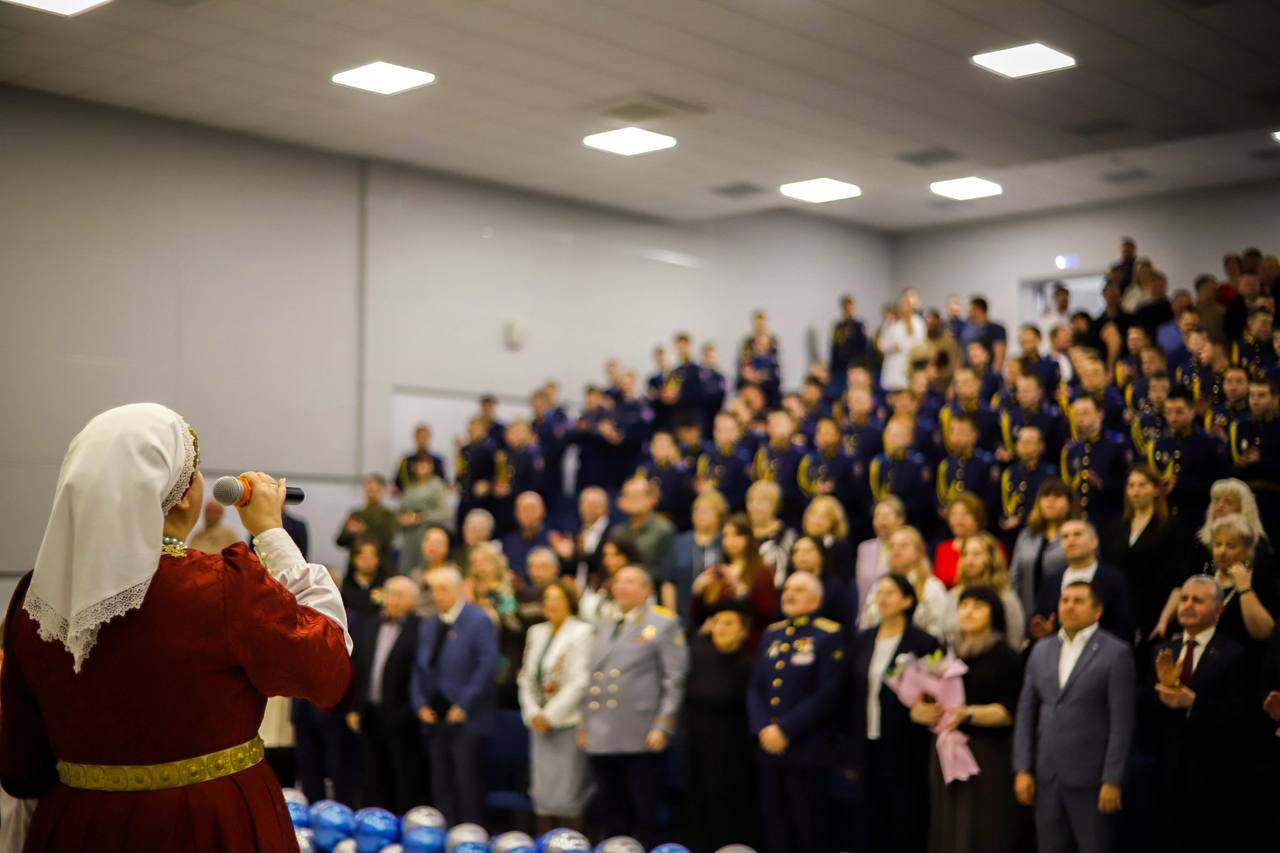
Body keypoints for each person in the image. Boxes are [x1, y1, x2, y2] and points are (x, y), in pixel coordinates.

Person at [0, 404, 351, 851]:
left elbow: (20, 766)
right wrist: (270, 532)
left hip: (78, 825)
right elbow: (328, 667)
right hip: (211, 825)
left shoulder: (37, 598)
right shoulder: (218, 586)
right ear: (183, 495)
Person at [1014, 581, 1136, 853]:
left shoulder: (1116, 653)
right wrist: (1022, 768)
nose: (1069, 606)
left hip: (1092, 779)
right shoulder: (1041, 649)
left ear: (1097, 610)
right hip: (1046, 777)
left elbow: (1122, 722)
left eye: (1078, 601)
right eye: (1064, 600)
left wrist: (1112, 779)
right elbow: (1026, 713)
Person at [577, 566, 688, 848]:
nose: (621, 587)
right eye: (618, 582)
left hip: (639, 730)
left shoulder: (662, 623)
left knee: (643, 808)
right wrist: (584, 723)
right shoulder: (604, 621)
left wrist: (664, 724)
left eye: (630, 582)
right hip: (602, 730)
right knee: (610, 807)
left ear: (646, 589)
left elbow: (673, 679)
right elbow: (590, 676)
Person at [1143, 575, 1249, 853]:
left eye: (1197, 600)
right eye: (1184, 599)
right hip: (1165, 774)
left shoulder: (1233, 655)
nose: (1187, 605)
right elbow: (1142, 708)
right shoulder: (1162, 651)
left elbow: (1239, 717)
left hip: (1212, 780)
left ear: (1218, 611)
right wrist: (1162, 691)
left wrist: (1193, 703)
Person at [918, 586, 1024, 853]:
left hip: (985, 753)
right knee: (946, 824)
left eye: (978, 605)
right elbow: (920, 692)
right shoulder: (943, 652)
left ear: (994, 613)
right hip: (944, 748)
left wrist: (967, 713)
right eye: (964, 605)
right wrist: (918, 710)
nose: (969, 611)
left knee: (983, 828)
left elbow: (1008, 711)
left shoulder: (1006, 657)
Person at [749, 572, 847, 853]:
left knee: (809, 826)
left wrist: (785, 729)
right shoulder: (772, 633)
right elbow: (756, 687)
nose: (789, 594)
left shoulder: (828, 635)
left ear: (816, 599)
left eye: (799, 590)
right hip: (769, 747)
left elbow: (828, 693)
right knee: (775, 824)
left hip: (806, 748)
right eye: (787, 589)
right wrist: (763, 728)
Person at [849, 574, 940, 853]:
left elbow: (938, 689)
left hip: (906, 745)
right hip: (868, 742)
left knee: (905, 819)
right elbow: (852, 694)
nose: (883, 598)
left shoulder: (924, 642)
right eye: (880, 592)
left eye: (891, 592)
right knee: (870, 818)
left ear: (907, 600)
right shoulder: (862, 640)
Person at [410, 565, 500, 826]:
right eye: (434, 589)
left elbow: (487, 665)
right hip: (435, 714)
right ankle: (444, 833)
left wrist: (464, 703)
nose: (437, 595)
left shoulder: (478, 620)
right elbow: (419, 666)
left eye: (443, 589)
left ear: (460, 590)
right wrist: (419, 704)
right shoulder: (430, 623)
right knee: (440, 782)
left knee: (467, 782)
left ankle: (470, 835)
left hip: (467, 717)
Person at [517, 579, 594, 836]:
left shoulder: (582, 632)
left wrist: (549, 715)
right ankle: (544, 843)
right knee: (543, 792)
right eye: (547, 598)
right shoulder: (536, 632)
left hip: (566, 722)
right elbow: (526, 677)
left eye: (557, 598)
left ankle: (572, 844)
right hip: (538, 724)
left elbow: (579, 681)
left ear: (569, 602)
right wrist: (532, 713)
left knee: (568, 793)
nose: (551, 604)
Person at [684, 602, 761, 853]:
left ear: (743, 631)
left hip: (732, 750)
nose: (720, 628)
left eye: (729, 623)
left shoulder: (748, 665)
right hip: (696, 745)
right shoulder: (697, 655)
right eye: (717, 622)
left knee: (728, 806)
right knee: (697, 805)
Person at [347, 575, 425, 814]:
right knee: (373, 776)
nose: (393, 600)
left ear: (413, 600)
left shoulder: (420, 628)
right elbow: (360, 668)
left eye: (400, 595)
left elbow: (420, 672)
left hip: (403, 715)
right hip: (371, 712)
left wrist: (410, 709)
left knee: (404, 778)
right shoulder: (370, 624)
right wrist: (354, 707)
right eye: (390, 594)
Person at [1099, 466, 1182, 646]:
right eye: (1131, 485)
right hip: (1118, 615)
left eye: (1142, 485)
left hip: (1154, 613)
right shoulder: (1114, 529)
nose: (1135, 491)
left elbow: (1177, 579)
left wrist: (1165, 619)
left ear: (1156, 490)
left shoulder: (1170, 528)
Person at [1032, 520, 1135, 644]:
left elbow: (1125, 629)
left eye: (1077, 534)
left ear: (1094, 541)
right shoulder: (1051, 581)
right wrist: (1044, 630)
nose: (1070, 540)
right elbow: (1039, 620)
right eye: (1065, 536)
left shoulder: (1114, 580)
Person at [690, 514, 778, 652]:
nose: (730, 541)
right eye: (726, 536)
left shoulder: (762, 572)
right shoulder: (716, 570)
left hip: (748, 647)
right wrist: (698, 592)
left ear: (748, 538)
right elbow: (699, 618)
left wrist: (740, 589)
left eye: (736, 535)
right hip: (715, 646)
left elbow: (766, 614)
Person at [939, 534, 1025, 649]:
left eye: (976, 554)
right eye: (965, 554)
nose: (969, 559)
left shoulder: (1005, 596)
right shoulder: (955, 594)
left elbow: (1014, 640)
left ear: (991, 558)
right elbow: (943, 634)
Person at [861, 527, 948, 640]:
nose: (896, 550)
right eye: (892, 546)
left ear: (918, 552)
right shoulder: (878, 585)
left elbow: (938, 630)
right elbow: (866, 623)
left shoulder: (932, 587)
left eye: (904, 545)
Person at [608, 477, 678, 610]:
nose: (633, 500)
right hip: (618, 595)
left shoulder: (664, 529)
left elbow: (666, 573)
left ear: (651, 499)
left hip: (651, 595)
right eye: (628, 495)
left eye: (637, 495)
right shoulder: (617, 532)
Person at [671, 491, 726, 624]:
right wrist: (671, 616)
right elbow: (669, 580)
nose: (700, 514)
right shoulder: (679, 541)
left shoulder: (726, 542)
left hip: (718, 616)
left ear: (719, 515)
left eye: (706, 511)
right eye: (696, 510)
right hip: (682, 613)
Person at [789, 534, 856, 633]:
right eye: (796, 551)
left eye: (807, 551)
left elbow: (844, 626)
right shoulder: (788, 586)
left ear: (822, 555)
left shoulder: (835, 587)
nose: (801, 555)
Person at [396, 455, 450, 574]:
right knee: (407, 568)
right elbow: (400, 511)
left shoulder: (436, 485)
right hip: (409, 535)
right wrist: (403, 519)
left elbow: (443, 512)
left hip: (427, 531)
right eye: (419, 464)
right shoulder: (410, 487)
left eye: (426, 464)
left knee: (425, 567)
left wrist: (422, 517)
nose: (422, 468)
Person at [932, 492, 996, 589]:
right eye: (954, 514)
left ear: (977, 518)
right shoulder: (942, 548)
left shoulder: (991, 545)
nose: (958, 520)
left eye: (965, 514)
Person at [336, 473, 398, 573]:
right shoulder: (356, 514)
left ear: (382, 491)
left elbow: (388, 539)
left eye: (375, 490)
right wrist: (349, 532)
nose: (371, 493)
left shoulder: (388, 515)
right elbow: (339, 541)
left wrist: (364, 531)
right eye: (368, 490)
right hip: (355, 568)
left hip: (380, 567)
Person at [855, 496, 905, 613]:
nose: (881, 521)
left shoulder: (907, 547)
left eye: (886, 516)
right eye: (877, 516)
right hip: (867, 616)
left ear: (900, 519)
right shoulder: (864, 549)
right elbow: (861, 589)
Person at [802, 495, 856, 584]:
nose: (816, 520)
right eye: (813, 514)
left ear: (834, 521)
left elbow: (842, 580)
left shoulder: (841, 548)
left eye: (823, 516)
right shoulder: (799, 543)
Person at [879, 293, 927, 392]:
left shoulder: (917, 322)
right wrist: (891, 347)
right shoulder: (891, 322)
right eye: (901, 305)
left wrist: (901, 346)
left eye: (906, 305)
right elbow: (882, 343)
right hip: (892, 364)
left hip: (909, 365)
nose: (903, 308)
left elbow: (920, 343)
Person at [501, 491, 552, 584]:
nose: (528, 514)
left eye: (532, 509)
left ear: (543, 511)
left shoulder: (553, 539)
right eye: (524, 510)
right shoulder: (509, 542)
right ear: (516, 514)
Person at [394, 423, 448, 493]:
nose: (422, 440)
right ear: (415, 438)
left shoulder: (437, 460)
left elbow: (443, 482)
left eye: (424, 437)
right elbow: (398, 483)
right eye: (419, 437)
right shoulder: (406, 460)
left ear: (429, 438)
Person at [341, 539, 387, 619]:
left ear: (378, 559)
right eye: (363, 557)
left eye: (372, 557)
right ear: (354, 559)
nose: (368, 562)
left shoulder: (385, 582)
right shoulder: (346, 583)